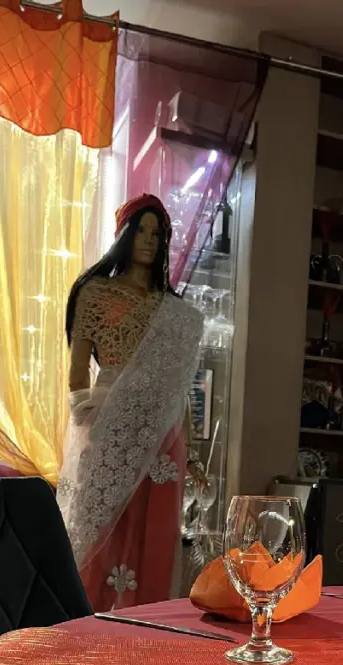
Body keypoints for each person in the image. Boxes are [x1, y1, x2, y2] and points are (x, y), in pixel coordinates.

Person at [57, 194, 203, 611]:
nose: (149, 240)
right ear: (124, 234)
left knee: (154, 535)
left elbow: (178, 388)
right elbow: (77, 371)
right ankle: (88, 626)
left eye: (157, 233)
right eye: (141, 230)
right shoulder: (96, 293)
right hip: (108, 424)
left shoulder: (175, 311)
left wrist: (190, 451)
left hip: (163, 437)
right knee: (100, 532)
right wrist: (87, 419)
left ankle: (147, 629)